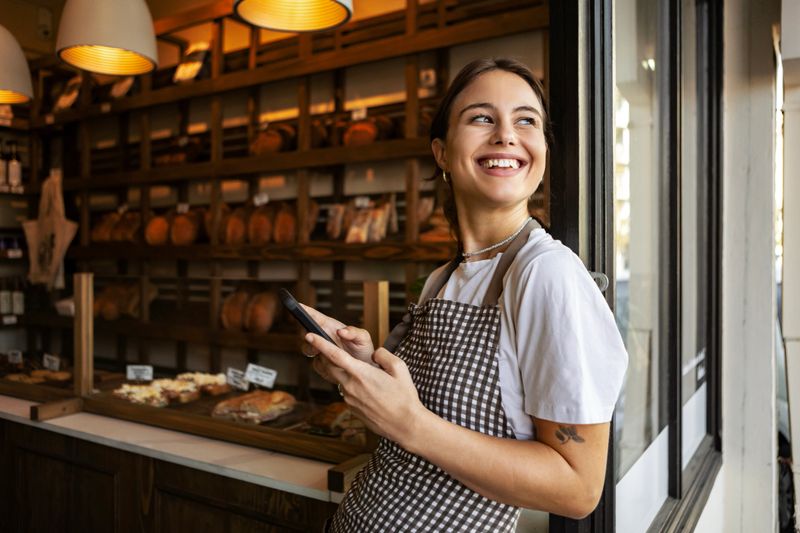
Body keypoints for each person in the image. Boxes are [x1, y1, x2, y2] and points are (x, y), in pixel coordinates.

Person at [301, 57, 629, 532]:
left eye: (526, 120)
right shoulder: (444, 276)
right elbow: (404, 425)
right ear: (441, 152)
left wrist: (411, 424)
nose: (506, 135)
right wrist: (364, 366)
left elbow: (577, 489)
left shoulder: (547, 274)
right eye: (481, 117)